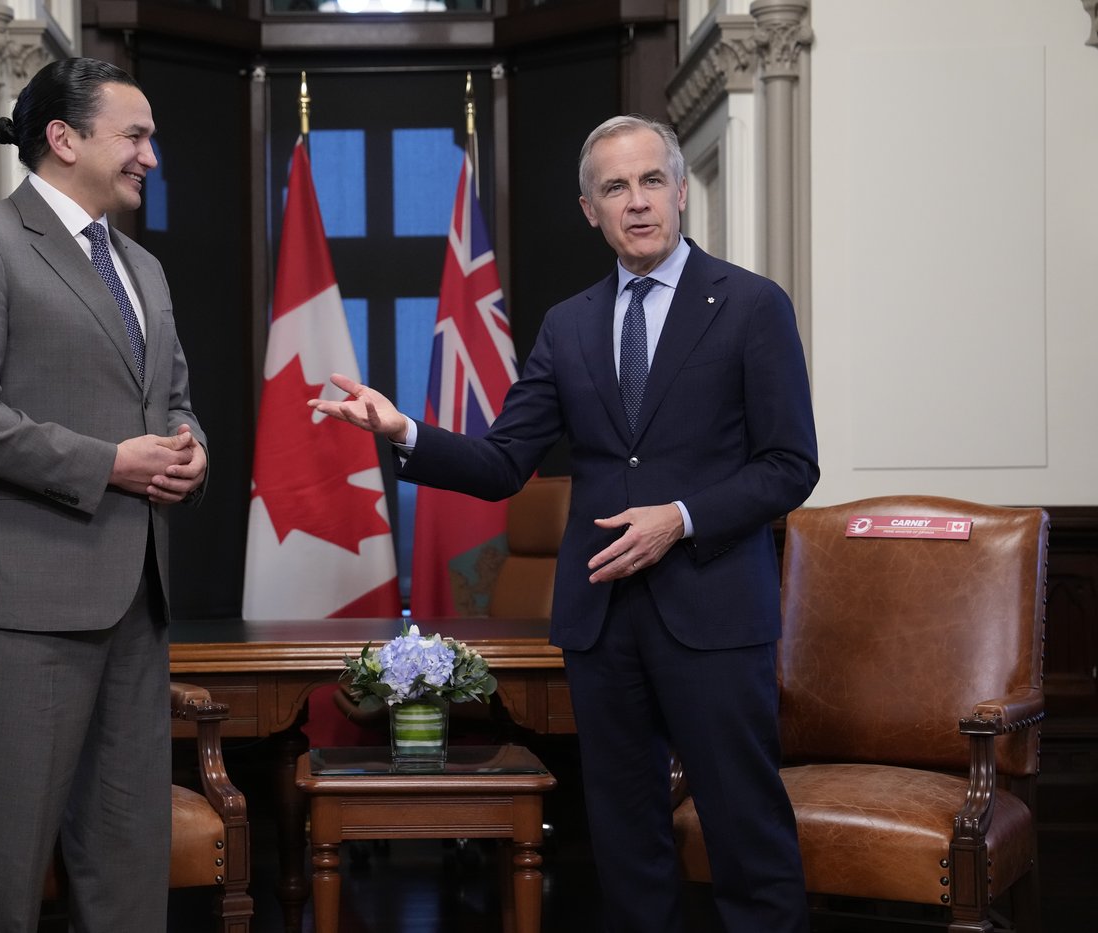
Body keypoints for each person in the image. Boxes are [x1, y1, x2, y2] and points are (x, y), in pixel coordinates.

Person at [311, 114, 818, 932]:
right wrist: (402, 430)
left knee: (746, 836)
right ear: (590, 209)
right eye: (615, 188)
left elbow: (792, 464)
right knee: (624, 845)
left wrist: (680, 518)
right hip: (602, 622)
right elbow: (505, 461)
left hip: (716, 613)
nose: (638, 202)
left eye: (653, 181)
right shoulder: (570, 324)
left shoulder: (752, 306)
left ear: (683, 191)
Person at [0, 58, 206, 933]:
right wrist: (107, 462)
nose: (151, 155)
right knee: (5, 864)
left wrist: (192, 457)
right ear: (64, 138)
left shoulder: (143, 270)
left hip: (136, 602)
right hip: (25, 606)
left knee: (127, 861)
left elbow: (174, 401)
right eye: (136, 136)